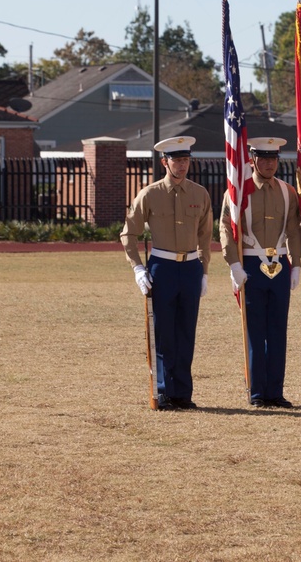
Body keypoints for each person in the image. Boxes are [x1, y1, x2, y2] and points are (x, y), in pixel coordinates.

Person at [121, 136, 213, 411]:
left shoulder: (200, 194)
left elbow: (205, 236)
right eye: (177, 160)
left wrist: (204, 271)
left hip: (190, 268)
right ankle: (164, 391)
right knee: (163, 333)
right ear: (165, 162)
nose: (182, 166)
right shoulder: (149, 194)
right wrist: (138, 267)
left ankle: (182, 393)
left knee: (186, 332)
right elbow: (129, 233)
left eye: (185, 160)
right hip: (162, 267)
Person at [220, 137, 301, 409]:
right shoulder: (238, 192)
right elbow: (226, 227)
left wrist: (296, 265)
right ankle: (257, 392)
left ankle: (275, 391)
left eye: (274, 159)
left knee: (277, 331)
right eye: (264, 158)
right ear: (252, 160)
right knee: (255, 330)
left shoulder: (287, 192)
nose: (270, 163)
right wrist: (233, 263)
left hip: (279, 265)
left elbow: (294, 230)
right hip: (250, 265)